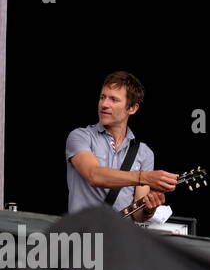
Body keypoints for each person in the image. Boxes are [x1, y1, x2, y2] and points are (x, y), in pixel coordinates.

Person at [66, 71, 178, 223]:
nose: (104, 104)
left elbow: (138, 216)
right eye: (102, 97)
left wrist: (148, 209)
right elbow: (93, 175)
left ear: (132, 108)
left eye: (113, 99)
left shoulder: (144, 153)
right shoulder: (80, 136)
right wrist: (143, 177)